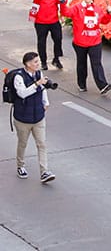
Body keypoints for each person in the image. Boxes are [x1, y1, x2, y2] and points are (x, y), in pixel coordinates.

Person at [11, 52, 56, 182]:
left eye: (38, 61)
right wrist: (37, 84)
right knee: (22, 143)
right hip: (23, 118)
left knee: (42, 144)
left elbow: (43, 89)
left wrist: (45, 102)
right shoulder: (18, 77)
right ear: (28, 64)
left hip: (38, 116)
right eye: (35, 62)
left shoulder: (38, 74)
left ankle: (44, 172)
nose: (38, 64)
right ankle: (20, 166)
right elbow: (22, 94)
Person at [61, 0, 111, 94]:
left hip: (95, 42)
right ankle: (82, 84)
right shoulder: (77, 8)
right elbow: (66, 12)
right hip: (80, 43)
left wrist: (109, 13)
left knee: (96, 63)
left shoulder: (97, 9)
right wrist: (62, 2)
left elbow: (104, 20)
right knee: (81, 64)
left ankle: (102, 85)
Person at [18, 0, 68, 71]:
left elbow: (63, 1)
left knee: (58, 39)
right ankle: (44, 62)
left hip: (54, 21)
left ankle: (56, 59)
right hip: (40, 22)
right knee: (41, 42)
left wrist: (62, 3)